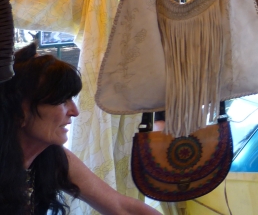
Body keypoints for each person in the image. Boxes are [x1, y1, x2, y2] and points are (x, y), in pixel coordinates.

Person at [0, 43, 159, 215]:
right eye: (62, 100)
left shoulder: (52, 156)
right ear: (20, 109)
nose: (75, 112)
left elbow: (121, 206)